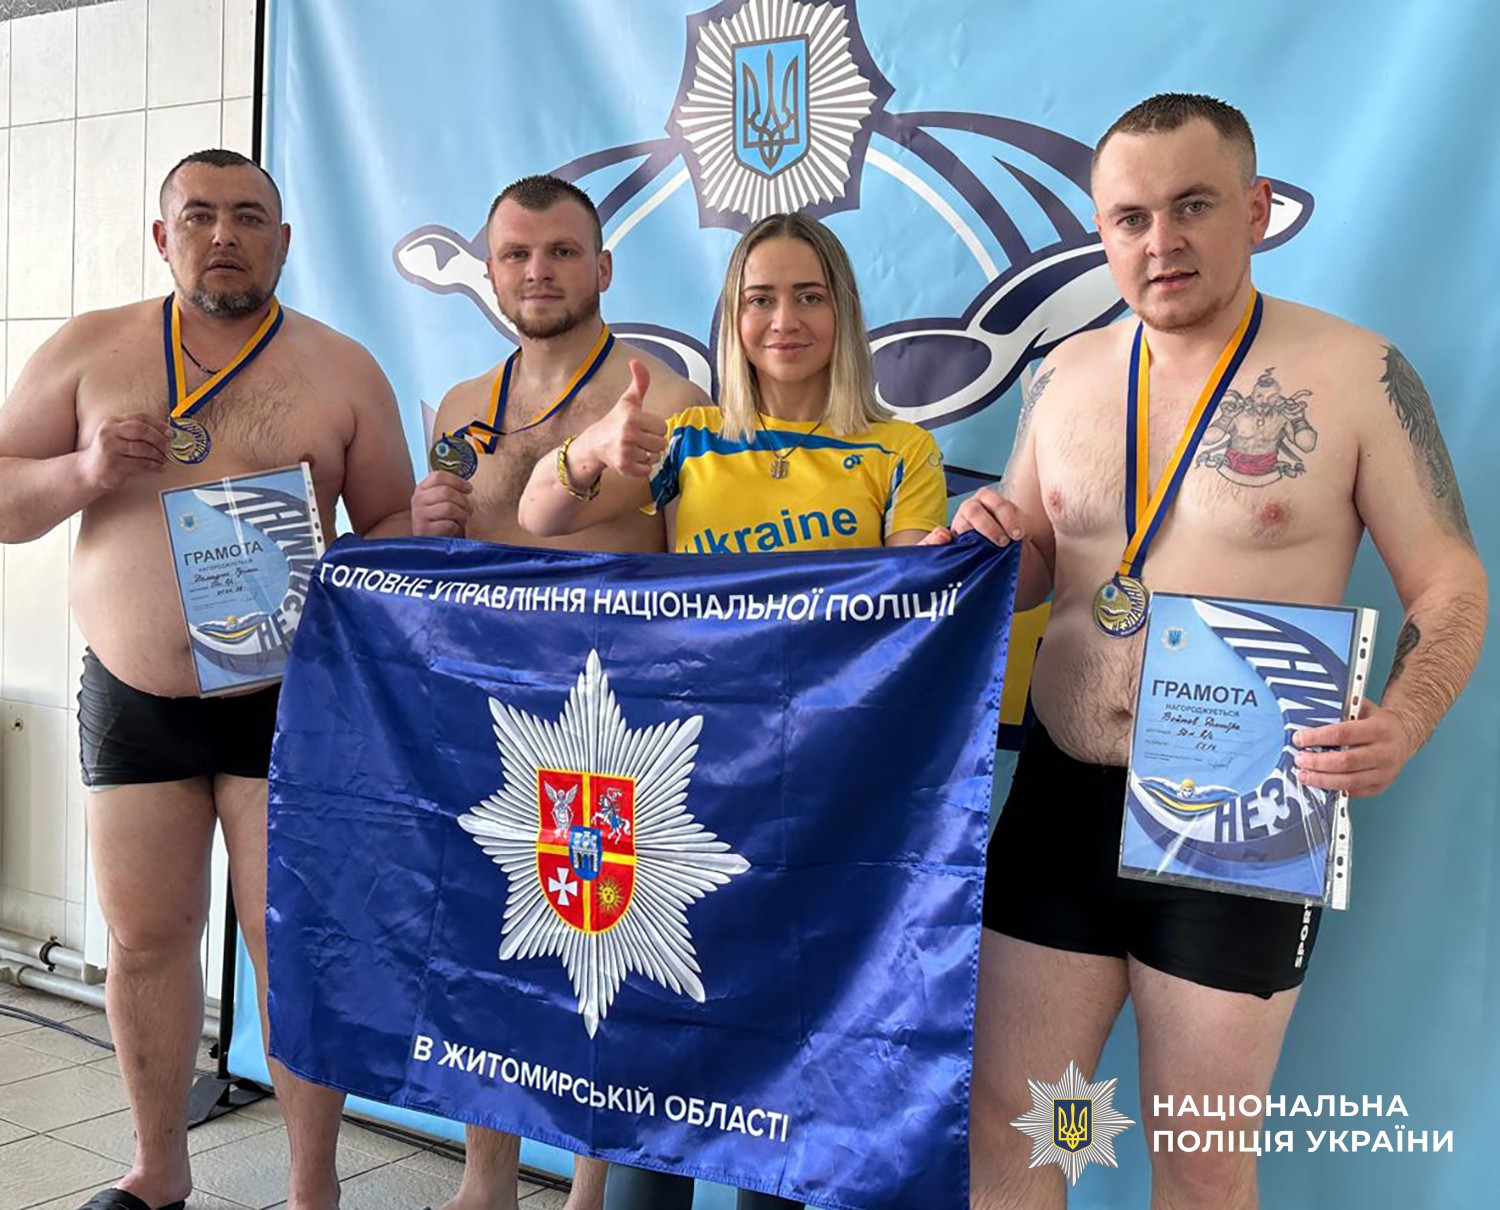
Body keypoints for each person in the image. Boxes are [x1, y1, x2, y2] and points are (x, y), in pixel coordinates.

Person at [942, 95, 1488, 1209]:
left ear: (1255, 207)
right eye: (1130, 218)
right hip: (1061, 793)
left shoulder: (1356, 373)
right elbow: (1035, 555)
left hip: (1244, 818)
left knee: (1199, 1167)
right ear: (1102, 232)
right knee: (1010, 1131)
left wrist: (1404, 717)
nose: (1161, 242)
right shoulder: (1066, 373)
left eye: (1192, 206)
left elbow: (1451, 581)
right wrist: (987, 541)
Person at [0, 150, 416, 1210]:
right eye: (198, 216)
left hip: (292, 704)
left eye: (248, 216)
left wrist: (378, 549)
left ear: (283, 240)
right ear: (163, 236)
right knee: (145, 940)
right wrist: (87, 470)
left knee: (292, 945)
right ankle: (158, 1169)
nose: (224, 234)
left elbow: (393, 525)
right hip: (133, 696)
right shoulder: (89, 350)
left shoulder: (342, 369)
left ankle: (311, 1188)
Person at [518, 211, 949, 1210]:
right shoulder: (692, 440)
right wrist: (592, 449)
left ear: (844, 311)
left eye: (808, 296)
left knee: (787, 1082)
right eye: (760, 299)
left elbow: (917, 621)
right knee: (659, 1071)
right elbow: (541, 515)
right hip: (688, 796)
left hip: (825, 801)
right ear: (732, 316)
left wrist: (944, 561)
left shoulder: (899, 451)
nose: (783, 320)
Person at [411, 174, 708, 1210]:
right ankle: (484, 1180)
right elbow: (446, 573)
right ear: (491, 272)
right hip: (487, 714)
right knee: (486, 951)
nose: (538, 272)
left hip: (610, 726)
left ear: (604, 267)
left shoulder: (669, 402)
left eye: (562, 252)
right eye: (517, 254)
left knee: (600, 966)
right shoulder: (462, 406)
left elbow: (697, 573)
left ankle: (589, 1189)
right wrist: (428, 522)